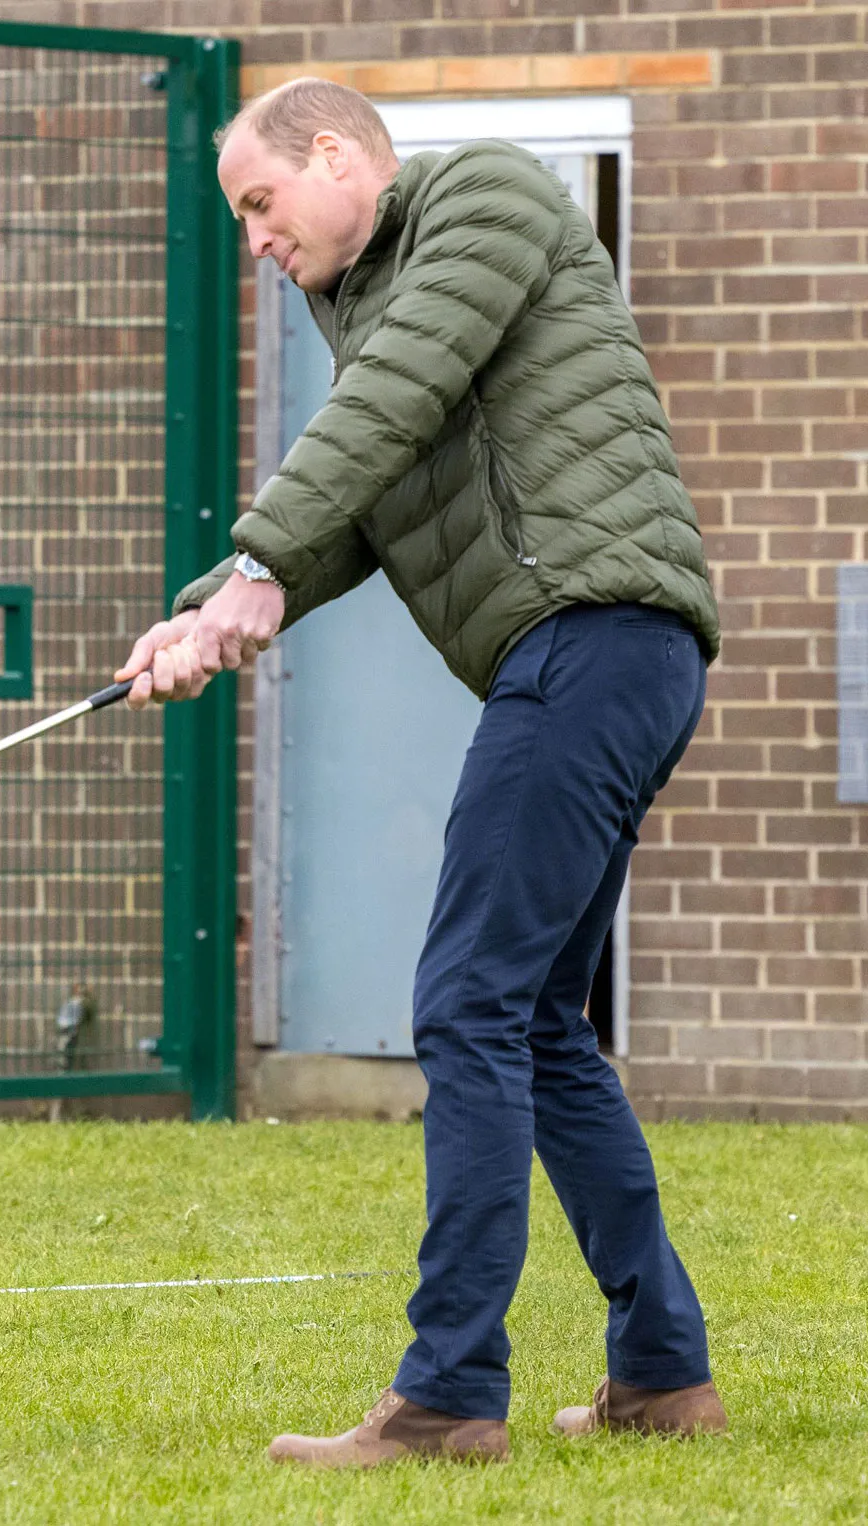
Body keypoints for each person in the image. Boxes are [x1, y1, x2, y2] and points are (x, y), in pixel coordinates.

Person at [116, 79, 727, 1465]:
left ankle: (449, 1389)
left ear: (336, 156)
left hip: (594, 637)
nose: (257, 241)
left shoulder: (488, 196)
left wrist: (258, 564)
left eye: (260, 205)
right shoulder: (370, 315)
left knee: (464, 1001)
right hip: (594, 657)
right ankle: (662, 1368)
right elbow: (360, 503)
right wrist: (206, 609)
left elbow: (388, 406)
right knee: (535, 1021)